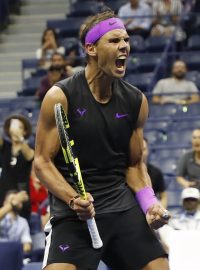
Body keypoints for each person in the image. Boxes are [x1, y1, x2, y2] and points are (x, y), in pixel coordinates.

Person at [34, 10, 170, 270]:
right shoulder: (60, 96)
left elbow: (134, 165)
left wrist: (150, 203)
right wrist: (74, 199)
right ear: (91, 48)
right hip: (74, 214)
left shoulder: (135, 101)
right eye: (114, 40)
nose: (124, 46)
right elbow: (41, 162)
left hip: (122, 207)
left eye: (126, 40)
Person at [0, 115, 34, 219]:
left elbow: (30, 156)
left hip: (21, 195)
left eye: (20, 127)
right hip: (3, 194)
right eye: (13, 126)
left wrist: (20, 138)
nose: (15, 129)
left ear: (25, 131)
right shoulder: (5, 147)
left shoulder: (29, 148)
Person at [158, 187, 200, 252]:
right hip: (180, 251)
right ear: (182, 201)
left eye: (193, 199)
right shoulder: (173, 220)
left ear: (198, 201)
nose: (190, 202)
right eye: (187, 199)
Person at [143, 138, 168, 208]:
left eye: (143, 149)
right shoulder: (126, 173)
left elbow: (164, 196)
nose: (141, 152)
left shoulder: (156, 172)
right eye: (138, 150)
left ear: (147, 151)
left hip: (152, 211)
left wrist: (162, 211)